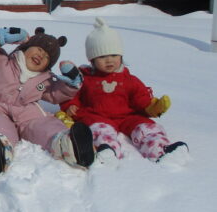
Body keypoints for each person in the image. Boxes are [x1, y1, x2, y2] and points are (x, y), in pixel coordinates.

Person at [58, 17, 187, 165]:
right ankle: (106, 150)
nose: (109, 60)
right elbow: (71, 93)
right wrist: (70, 106)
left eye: (114, 55)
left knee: (146, 128)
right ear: (91, 60)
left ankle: (161, 149)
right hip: (96, 115)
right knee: (99, 130)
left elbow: (140, 97)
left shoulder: (128, 79)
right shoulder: (85, 78)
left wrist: (151, 107)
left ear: (121, 56)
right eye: (102, 56)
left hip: (127, 117)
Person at [0, 26, 95, 174]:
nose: (41, 56)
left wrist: (70, 85)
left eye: (47, 57)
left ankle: (68, 144)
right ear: (26, 47)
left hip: (27, 111)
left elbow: (55, 94)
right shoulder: (1, 61)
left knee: (45, 125)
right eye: (39, 50)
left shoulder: (45, 79)